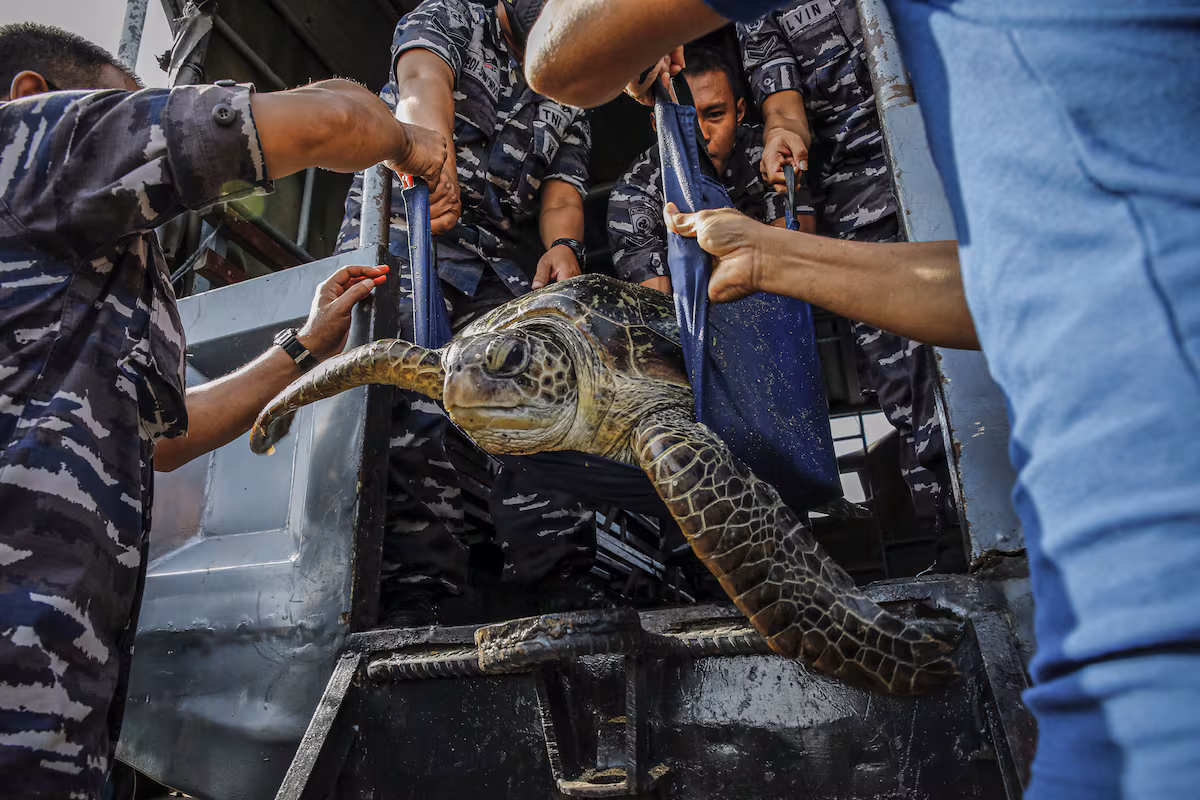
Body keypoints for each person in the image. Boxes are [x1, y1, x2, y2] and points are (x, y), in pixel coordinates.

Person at [524, 1, 1200, 798]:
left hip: (1154, 653)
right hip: (1106, 638)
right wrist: (771, 255)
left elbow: (560, 61)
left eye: (719, 113)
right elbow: (1021, 288)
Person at [0, 22, 447, 798]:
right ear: (35, 97)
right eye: (128, 109)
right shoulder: (28, 144)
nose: (143, 127)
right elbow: (333, 122)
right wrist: (411, 147)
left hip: (61, 707)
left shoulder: (82, 261)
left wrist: (304, 347)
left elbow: (162, 443)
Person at [333, 0, 600, 625]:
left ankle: (563, 581)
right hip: (408, 225)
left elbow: (564, 193)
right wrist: (431, 152)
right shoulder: (451, 17)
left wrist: (565, 246)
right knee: (407, 389)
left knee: (546, 386)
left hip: (494, 261)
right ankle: (418, 589)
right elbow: (422, 85)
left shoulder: (571, 78)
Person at [608, 46, 813, 294]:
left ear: (739, 112)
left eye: (715, 115)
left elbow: (798, 265)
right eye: (688, 121)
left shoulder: (768, 156)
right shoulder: (638, 189)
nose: (702, 135)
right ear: (657, 125)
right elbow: (657, 308)